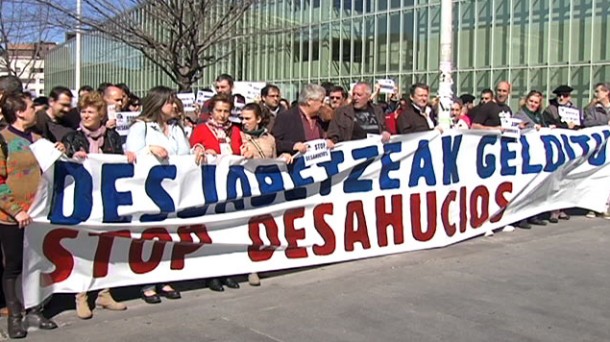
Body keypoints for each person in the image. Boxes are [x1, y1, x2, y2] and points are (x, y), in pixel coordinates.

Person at [61, 92, 132, 318]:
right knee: (84, 248)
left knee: (107, 246)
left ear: (101, 114)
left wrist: (127, 156)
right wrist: (73, 154)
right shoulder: (73, 136)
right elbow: (65, 159)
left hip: (108, 200)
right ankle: (81, 296)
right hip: (85, 200)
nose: (86, 115)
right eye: (83, 111)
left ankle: (105, 292)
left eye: (91, 111)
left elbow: (118, 161)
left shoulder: (112, 137)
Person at [0, 91, 60, 338]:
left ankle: (35, 309)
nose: (35, 110)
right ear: (19, 112)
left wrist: (60, 152)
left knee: (35, 264)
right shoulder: (3, 140)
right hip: (12, 217)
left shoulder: (37, 138)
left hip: (38, 215)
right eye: (31, 107)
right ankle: (15, 316)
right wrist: (15, 210)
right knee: (13, 266)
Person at [126, 86, 190, 304]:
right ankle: (147, 283)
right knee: (149, 235)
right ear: (158, 103)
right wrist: (149, 150)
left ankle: (164, 278)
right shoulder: (141, 128)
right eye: (170, 102)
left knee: (169, 235)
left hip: (174, 189)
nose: (174, 106)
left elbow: (185, 154)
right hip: (149, 190)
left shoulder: (176, 128)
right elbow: (130, 157)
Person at [189, 94, 242, 292]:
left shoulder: (235, 130)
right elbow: (192, 149)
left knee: (230, 230)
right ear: (211, 112)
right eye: (218, 111)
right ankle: (210, 275)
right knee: (211, 231)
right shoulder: (201, 129)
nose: (222, 115)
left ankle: (226, 272)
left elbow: (238, 151)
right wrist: (200, 149)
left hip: (231, 187)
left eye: (226, 111)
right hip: (209, 187)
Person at [239, 103, 291, 286]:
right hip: (245, 188)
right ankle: (250, 267)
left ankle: (264, 260)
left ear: (259, 119)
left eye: (247, 118)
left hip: (266, 187)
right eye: (242, 118)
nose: (243, 122)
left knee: (265, 224)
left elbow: (273, 160)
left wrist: (284, 158)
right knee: (248, 226)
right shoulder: (238, 136)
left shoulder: (270, 139)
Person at [542, 85, 582, 223]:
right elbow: (548, 126)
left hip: (571, 149)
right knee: (555, 179)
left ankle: (563, 207)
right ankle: (554, 210)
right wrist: (565, 126)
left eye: (564, 96)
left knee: (567, 179)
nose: (561, 98)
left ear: (569, 97)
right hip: (556, 149)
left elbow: (580, 126)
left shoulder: (575, 111)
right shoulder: (550, 110)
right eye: (559, 95)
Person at [512, 90, 549, 228]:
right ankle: (521, 218)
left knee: (536, 186)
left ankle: (533, 215)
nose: (533, 104)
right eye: (531, 101)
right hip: (524, 155)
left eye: (536, 102)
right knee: (524, 187)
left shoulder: (539, 116)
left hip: (537, 154)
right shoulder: (520, 114)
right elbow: (514, 128)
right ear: (526, 101)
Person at [272, 84, 332, 155]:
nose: (323, 105)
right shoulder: (286, 117)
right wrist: (293, 146)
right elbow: (274, 142)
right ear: (309, 101)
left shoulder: (322, 119)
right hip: (296, 163)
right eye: (321, 101)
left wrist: (328, 142)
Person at [583, 82, 610, 219]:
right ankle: (592, 207)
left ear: (606, 93)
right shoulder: (593, 109)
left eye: (598, 91)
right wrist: (605, 125)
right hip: (598, 149)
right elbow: (587, 122)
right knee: (595, 176)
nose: (595, 94)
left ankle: (605, 206)